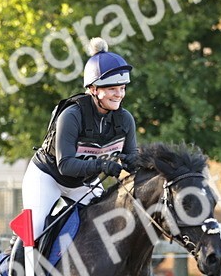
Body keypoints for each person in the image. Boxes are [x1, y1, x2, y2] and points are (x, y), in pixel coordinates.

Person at [21, 37, 140, 243]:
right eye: (112, 89)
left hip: (84, 183)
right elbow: (65, 165)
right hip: (48, 176)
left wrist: (134, 163)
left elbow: (133, 157)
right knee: (35, 228)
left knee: (107, 225)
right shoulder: (72, 115)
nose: (119, 94)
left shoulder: (125, 119)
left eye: (122, 88)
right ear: (94, 89)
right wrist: (102, 164)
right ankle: (14, 270)